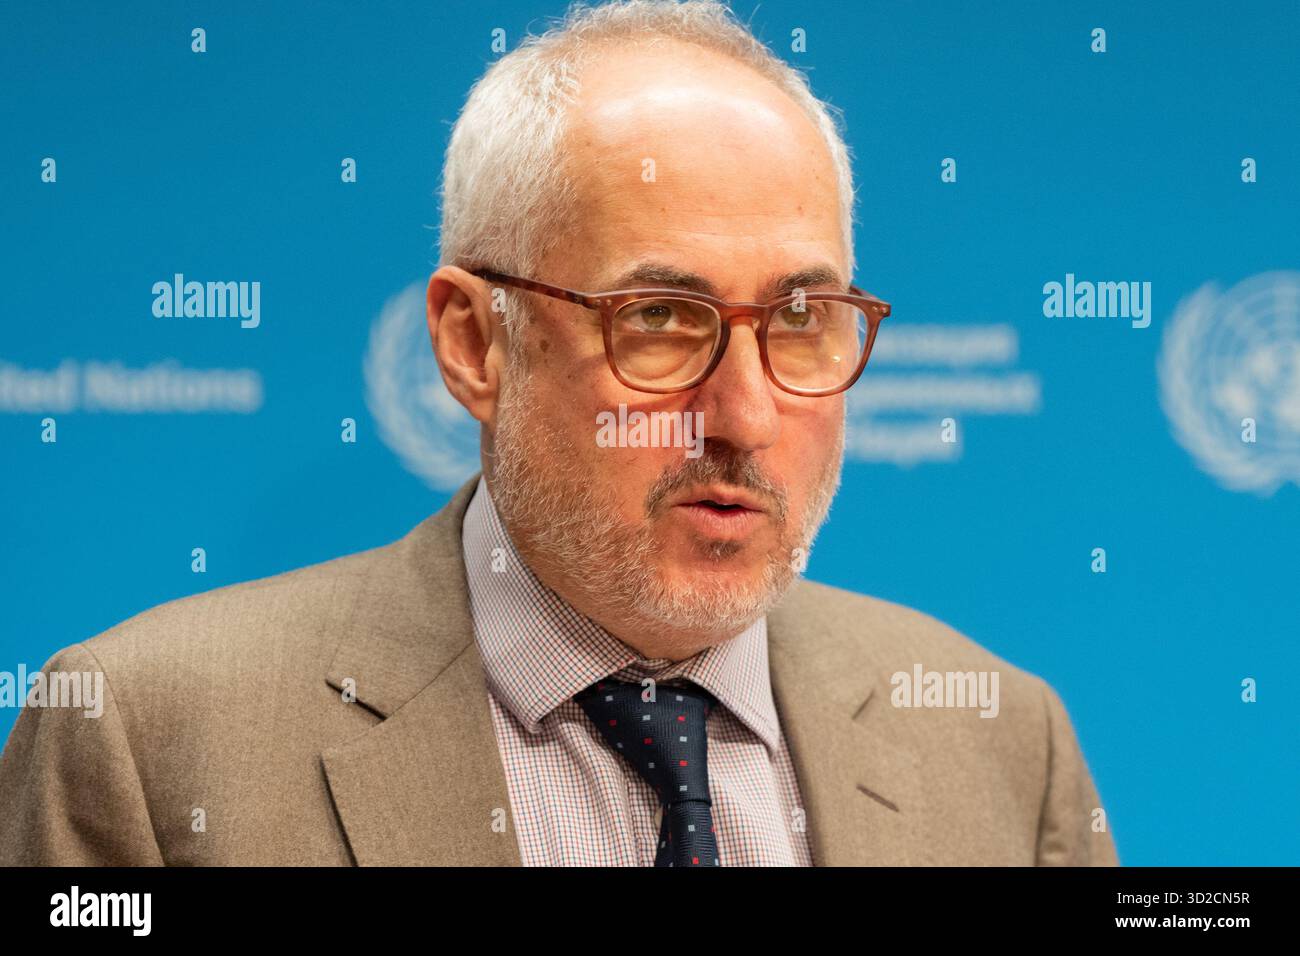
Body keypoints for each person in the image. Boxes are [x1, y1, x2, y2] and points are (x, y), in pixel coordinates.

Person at [0, 0, 1117, 866]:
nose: (744, 414)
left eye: (796, 320)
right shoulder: (146, 742)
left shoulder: (1003, 743)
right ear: (477, 344)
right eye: (662, 321)